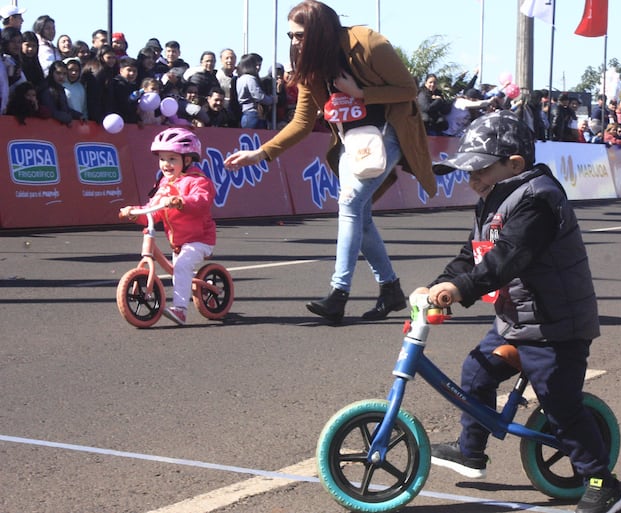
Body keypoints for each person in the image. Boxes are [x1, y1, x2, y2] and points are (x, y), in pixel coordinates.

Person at [424, 110, 621, 513]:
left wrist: (460, 289)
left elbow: (507, 259)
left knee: (559, 402)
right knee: (476, 371)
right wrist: (438, 284)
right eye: (467, 172)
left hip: (555, 325)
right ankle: (470, 452)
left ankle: (603, 482)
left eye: (479, 169)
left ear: (513, 164)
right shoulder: (493, 200)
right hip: (517, 320)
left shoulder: (537, 199)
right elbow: (473, 255)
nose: (471, 179)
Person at [223, 0, 436, 324]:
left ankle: (338, 294)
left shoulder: (369, 43)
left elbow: (408, 89)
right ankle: (390, 289)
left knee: (350, 202)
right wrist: (260, 153)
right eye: (291, 35)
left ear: (320, 32)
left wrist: (361, 92)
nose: (293, 41)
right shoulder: (307, 64)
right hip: (351, 140)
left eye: (299, 35)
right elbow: (302, 122)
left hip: (389, 131)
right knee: (360, 214)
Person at [118, 128, 216, 326]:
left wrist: (181, 202)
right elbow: (153, 210)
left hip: (200, 238)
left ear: (187, 160)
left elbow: (201, 201)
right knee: (179, 272)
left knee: (180, 268)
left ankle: (180, 310)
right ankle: (208, 290)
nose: (166, 164)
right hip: (179, 241)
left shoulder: (198, 181)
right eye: (162, 159)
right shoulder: (163, 184)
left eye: (172, 159)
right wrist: (133, 212)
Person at [235, 52, 274, 129]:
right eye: (255, 65)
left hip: (246, 113)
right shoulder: (250, 79)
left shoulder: (240, 78)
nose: (257, 67)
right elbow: (259, 96)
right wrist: (272, 99)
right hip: (253, 113)